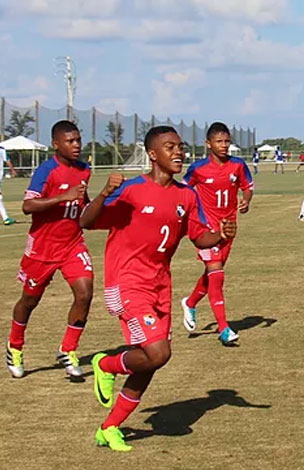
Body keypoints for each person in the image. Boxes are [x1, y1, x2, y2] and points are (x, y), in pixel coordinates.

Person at [81, 126, 236, 452]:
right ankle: (105, 364)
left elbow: (199, 237)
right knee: (157, 352)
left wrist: (219, 234)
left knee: (151, 361)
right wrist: (103, 193)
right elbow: (86, 220)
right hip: (126, 283)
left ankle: (109, 427)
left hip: (160, 286)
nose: (179, 152)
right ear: (152, 154)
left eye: (180, 147)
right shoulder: (132, 190)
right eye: (170, 147)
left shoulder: (186, 195)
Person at [6, 121, 93, 379]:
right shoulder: (46, 171)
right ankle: (15, 345)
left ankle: (68, 349)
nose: (76, 145)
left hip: (72, 244)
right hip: (42, 249)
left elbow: (83, 204)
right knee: (30, 301)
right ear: (56, 144)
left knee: (85, 292)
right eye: (70, 141)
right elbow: (27, 206)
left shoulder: (85, 170)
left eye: (78, 140)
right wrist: (61, 198)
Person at [180, 122, 254, 345]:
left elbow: (248, 187)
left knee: (213, 273)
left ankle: (190, 303)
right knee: (217, 273)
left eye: (227, 141)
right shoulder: (198, 168)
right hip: (206, 228)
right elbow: (183, 189)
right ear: (208, 144)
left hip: (229, 228)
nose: (224, 146)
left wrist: (246, 201)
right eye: (219, 142)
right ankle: (224, 329)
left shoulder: (238, 165)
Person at [0, 145, 18, 225]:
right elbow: (7, 160)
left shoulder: (1, 149)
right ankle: (5, 218)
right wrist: (12, 170)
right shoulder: (1, 149)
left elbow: (7, 160)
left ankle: (6, 218)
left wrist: (12, 170)